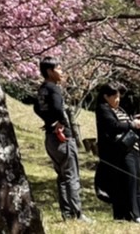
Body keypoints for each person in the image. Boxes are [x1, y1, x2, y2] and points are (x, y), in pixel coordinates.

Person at [36, 58, 90, 221]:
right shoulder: (54, 88)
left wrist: (48, 122)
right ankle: (77, 213)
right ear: (50, 71)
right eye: (59, 68)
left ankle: (67, 213)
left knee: (62, 176)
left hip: (50, 139)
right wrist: (61, 123)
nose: (62, 72)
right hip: (62, 138)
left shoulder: (42, 89)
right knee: (71, 176)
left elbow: (37, 108)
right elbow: (59, 108)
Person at [94, 82, 140, 223]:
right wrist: (132, 124)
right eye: (114, 96)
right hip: (118, 152)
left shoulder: (118, 109)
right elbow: (113, 126)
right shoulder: (103, 109)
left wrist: (135, 122)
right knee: (128, 183)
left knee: (136, 182)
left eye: (119, 96)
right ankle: (134, 215)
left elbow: (124, 125)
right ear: (106, 96)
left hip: (131, 149)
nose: (118, 99)